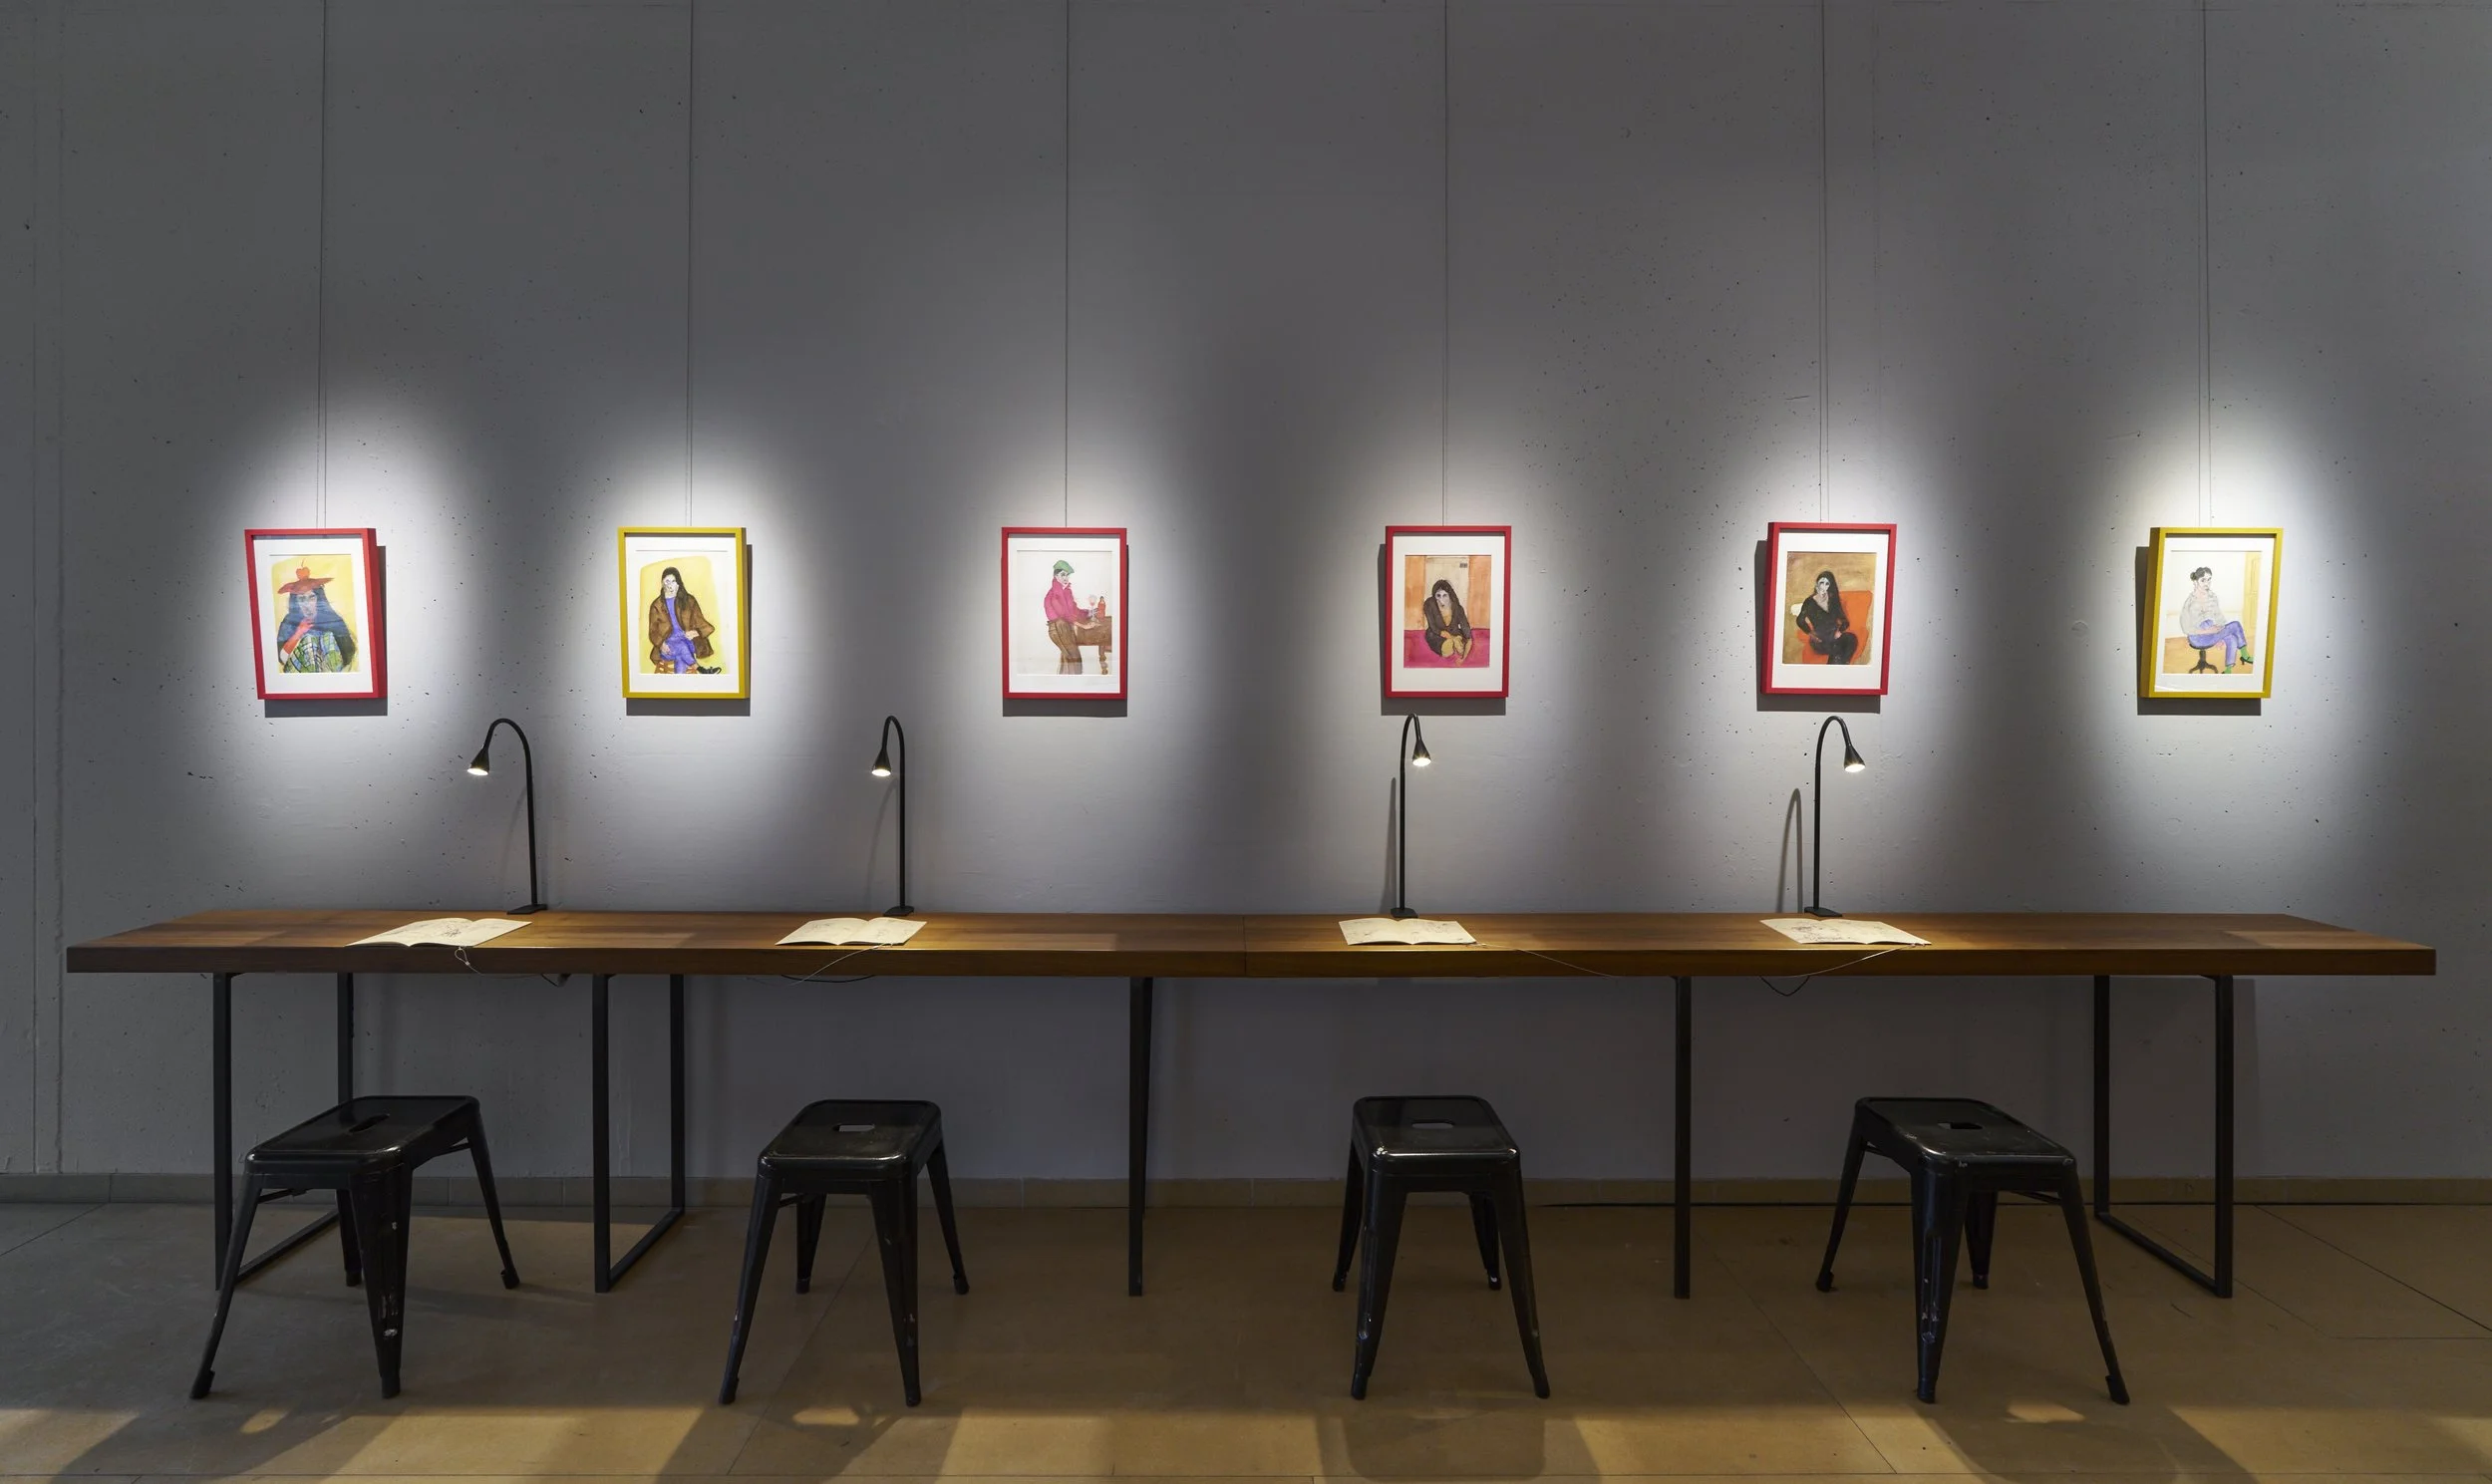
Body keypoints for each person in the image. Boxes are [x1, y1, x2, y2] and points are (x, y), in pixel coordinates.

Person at [272, 566, 357, 674]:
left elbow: (348, 653)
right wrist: (299, 633)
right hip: (301, 673)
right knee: (308, 639)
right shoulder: (289, 621)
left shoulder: (332, 619)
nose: (307, 604)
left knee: (328, 637)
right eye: (301, 599)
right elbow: (282, 659)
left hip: (330, 673)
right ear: (296, 602)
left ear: (319, 598)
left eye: (311, 597)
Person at [2177, 565, 2252, 672]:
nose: (2207, 583)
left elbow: (2219, 618)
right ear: (2195, 582)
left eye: (2209, 580)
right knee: (2235, 625)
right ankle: (2245, 655)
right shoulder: (2190, 602)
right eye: (2203, 580)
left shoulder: (2212, 597)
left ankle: (2228, 670)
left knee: (2231, 638)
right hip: (2197, 637)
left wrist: (2219, 635)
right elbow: (2186, 628)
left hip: (2211, 633)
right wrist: (2207, 631)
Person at [646, 567, 717, 675]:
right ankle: (701, 670)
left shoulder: (689, 600)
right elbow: (652, 632)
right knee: (681, 648)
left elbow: (705, 625)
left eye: (673, 581)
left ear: (678, 583)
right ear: (662, 583)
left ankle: (679, 681)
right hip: (668, 645)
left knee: (682, 649)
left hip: (688, 641)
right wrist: (660, 644)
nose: (670, 585)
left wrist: (696, 632)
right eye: (667, 581)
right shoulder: (657, 605)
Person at [1043, 558, 1107, 674]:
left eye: (1067, 575)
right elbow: (1065, 615)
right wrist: (1084, 626)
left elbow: (1074, 611)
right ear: (1056, 576)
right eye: (1063, 575)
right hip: (1058, 627)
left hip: (1065, 626)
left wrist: (1090, 612)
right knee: (1074, 658)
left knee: (1068, 659)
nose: (1066, 578)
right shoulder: (1055, 593)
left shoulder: (1066, 591)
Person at [1793, 570, 1859, 664]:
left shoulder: (1833, 600)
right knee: (1838, 646)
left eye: (1827, 584)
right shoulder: (1809, 602)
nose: (1823, 586)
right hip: (1820, 639)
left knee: (1851, 638)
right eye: (1821, 583)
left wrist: (1839, 632)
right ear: (1817, 584)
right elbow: (1800, 620)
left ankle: (1843, 665)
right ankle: (1835, 667)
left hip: (1834, 635)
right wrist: (1811, 634)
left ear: (1830, 586)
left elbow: (1845, 622)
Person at [1422, 577, 1473, 662]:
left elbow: (1468, 637)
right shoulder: (1429, 604)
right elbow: (1434, 628)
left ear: (1450, 595)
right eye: (1438, 596)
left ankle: (1455, 642)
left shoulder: (1458, 608)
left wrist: (1463, 658)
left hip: (1454, 632)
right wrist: (1454, 639)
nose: (1441, 600)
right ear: (1434, 596)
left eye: (1445, 595)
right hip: (1436, 635)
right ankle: (1453, 642)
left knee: (1460, 647)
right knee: (1447, 650)